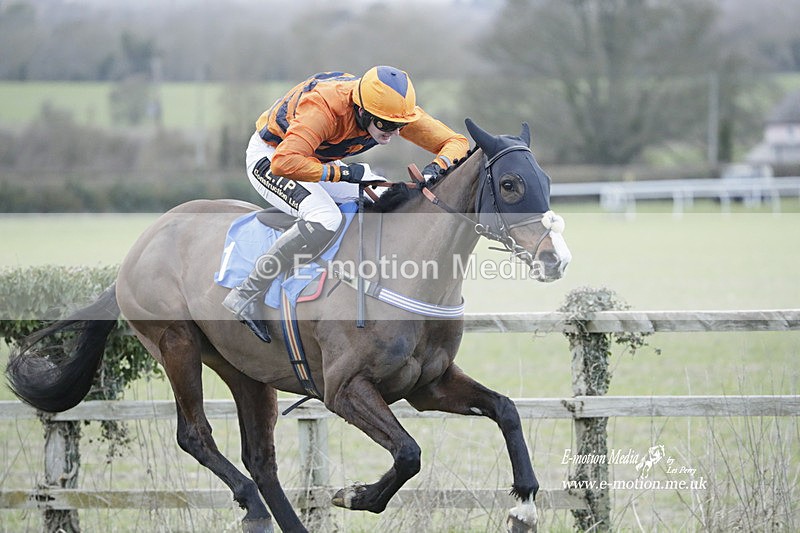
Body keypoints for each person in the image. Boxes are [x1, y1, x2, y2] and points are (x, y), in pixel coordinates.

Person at [223, 65, 469, 342]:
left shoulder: (392, 108)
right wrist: (341, 173)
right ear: (362, 111)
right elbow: (285, 163)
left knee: (382, 197)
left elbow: (456, 142)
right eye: (386, 125)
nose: (395, 132)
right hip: (272, 157)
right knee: (325, 217)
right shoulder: (324, 108)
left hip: (315, 159)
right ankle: (247, 292)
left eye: (400, 125)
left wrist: (436, 168)